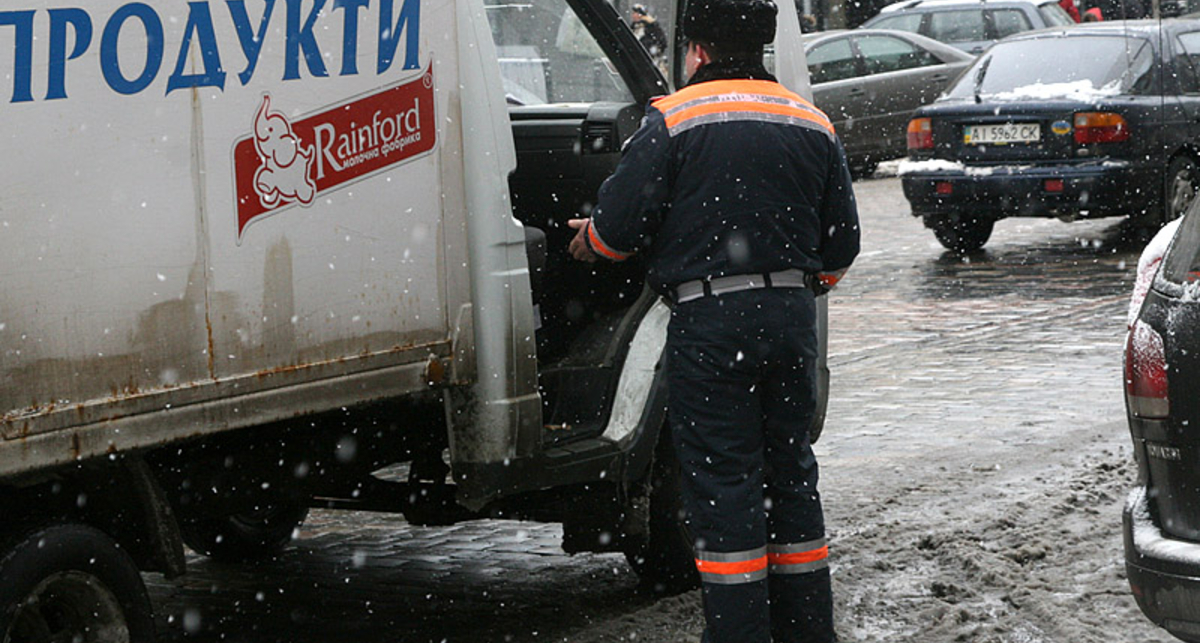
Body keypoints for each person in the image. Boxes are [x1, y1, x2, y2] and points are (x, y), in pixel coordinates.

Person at [566, 0, 860, 640]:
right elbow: (841, 245)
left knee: (726, 484)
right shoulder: (811, 120)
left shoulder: (672, 120)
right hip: (789, 321)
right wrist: (794, 288)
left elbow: (618, 234)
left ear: (695, 49)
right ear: (760, 47)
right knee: (790, 476)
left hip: (709, 322)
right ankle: (809, 631)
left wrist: (589, 239)